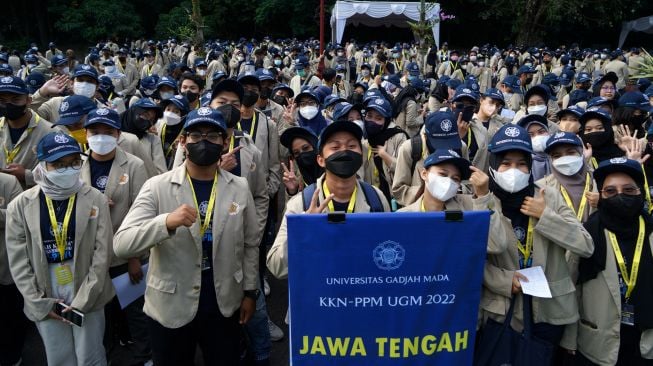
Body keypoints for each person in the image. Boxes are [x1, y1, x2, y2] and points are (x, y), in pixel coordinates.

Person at [114, 107, 259, 366]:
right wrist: (165, 223)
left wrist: (250, 292)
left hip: (224, 303)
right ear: (183, 141)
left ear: (225, 142)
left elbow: (250, 244)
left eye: (213, 136)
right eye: (196, 135)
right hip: (170, 305)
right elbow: (122, 244)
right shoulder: (157, 186)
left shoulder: (239, 186)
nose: (204, 141)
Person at [479, 124, 594, 365]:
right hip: (502, 312)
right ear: (492, 165)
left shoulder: (549, 195)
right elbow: (472, 260)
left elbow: (585, 245)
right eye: (506, 163)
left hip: (550, 311)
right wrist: (503, 280)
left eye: (522, 163)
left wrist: (546, 217)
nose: (514, 170)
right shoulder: (481, 201)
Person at [6, 131, 114, 366]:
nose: (69, 169)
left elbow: (102, 253)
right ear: (43, 165)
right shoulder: (21, 206)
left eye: (75, 162)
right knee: (59, 357)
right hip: (46, 290)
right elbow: (18, 261)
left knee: (91, 355)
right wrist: (38, 301)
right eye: (59, 164)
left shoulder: (95, 198)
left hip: (87, 289)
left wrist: (84, 299)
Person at [267, 120, 391, 280]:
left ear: (361, 155)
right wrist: (306, 230)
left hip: (363, 296)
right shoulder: (300, 204)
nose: (345, 152)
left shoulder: (376, 198)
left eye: (352, 146)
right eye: (335, 147)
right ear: (321, 159)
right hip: (320, 297)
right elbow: (277, 267)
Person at [79, 108, 151, 363]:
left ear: (118, 135)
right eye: (95, 132)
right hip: (90, 254)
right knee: (100, 308)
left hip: (124, 251)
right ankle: (105, 351)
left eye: (108, 132)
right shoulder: (77, 163)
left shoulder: (134, 165)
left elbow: (140, 212)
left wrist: (134, 257)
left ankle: (144, 355)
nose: (101, 137)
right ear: (85, 134)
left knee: (135, 309)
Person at [575, 158, 653, 365]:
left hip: (646, 343)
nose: (620, 196)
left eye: (628, 190)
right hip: (599, 344)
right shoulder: (587, 234)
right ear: (600, 195)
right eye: (610, 191)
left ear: (641, 193)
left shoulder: (651, 229)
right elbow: (573, 287)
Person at [0, 75, 55, 187]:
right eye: (2, 100)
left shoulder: (51, 133)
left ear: (28, 100)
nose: (8, 105)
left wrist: (27, 175)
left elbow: (61, 175)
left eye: (15, 99)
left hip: (32, 200)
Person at [0, 172, 24, 366]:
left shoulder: (8, 182)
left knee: (9, 320)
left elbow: (19, 216)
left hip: (5, 269)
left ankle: (13, 358)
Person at [120, 98, 167, 176]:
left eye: (152, 120)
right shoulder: (112, 135)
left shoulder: (153, 140)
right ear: (134, 111)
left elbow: (161, 172)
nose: (148, 121)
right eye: (146, 115)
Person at [279, 126, 324, 196]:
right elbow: (291, 206)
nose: (302, 154)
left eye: (306, 148)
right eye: (296, 153)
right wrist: (293, 191)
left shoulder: (332, 172)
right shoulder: (296, 177)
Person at [156, 95, 190, 170]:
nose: (170, 113)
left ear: (184, 115)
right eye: (168, 109)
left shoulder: (187, 132)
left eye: (176, 111)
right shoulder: (159, 124)